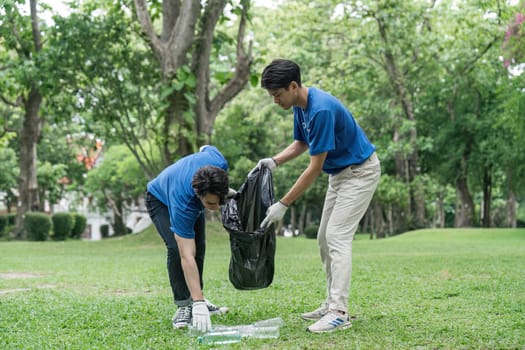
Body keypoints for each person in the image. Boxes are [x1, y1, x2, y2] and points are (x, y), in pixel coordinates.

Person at [256, 59, 381, 333]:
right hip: (339, 174)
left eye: (278, 95)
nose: (275, 101)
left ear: (293, 86)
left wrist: (283, 204)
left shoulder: (320, 109)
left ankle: (339, 312)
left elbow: (314, 168)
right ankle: (330, 303)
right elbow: (302, 143)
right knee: (324, 238)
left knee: (337, 236)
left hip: (360, 172)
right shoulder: (300, 108)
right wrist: (274, 161)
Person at [146, 145, 231, 332]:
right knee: (178, 250)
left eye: (221, 201)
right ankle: (186, 304)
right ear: (198, 194)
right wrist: (198, 303)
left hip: (190, 189)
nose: (217, 207)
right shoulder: (183, 203)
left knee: (199, 247)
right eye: (211, 203)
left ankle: (196, 298)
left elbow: (205, 148)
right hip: (159, 199)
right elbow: (187, 255)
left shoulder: (219, 162)